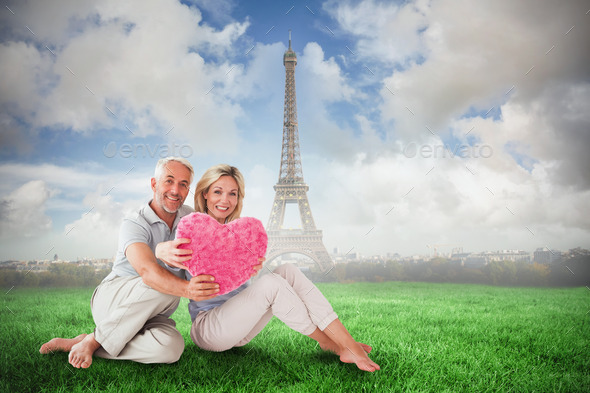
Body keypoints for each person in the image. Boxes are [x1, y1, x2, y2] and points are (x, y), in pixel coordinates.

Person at [157, 164, 380, 372]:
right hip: (209, 330)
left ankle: (344, 341)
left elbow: (244, 289)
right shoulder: (188, 232)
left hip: (240, 329)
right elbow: (163, 270)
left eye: (232, 193)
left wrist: (249, 267)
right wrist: (161, 251)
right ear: (205, 194)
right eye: (217, 192)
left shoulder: (244, 235)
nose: (225, 199)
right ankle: (332, 343)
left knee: (288, 269)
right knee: (272, 283)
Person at [39, 157, 222, 368]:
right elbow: (147, 272)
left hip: (153, 312)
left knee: (170, 349)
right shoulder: (134, 222)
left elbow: (215, 252)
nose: (175, 190)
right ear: (154, 184)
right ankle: (94, 340)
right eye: (169, 181)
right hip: (114, 300)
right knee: (163, 283)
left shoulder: (192, 218)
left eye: (183, 184)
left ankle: (90, 340)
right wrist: (189, 289)